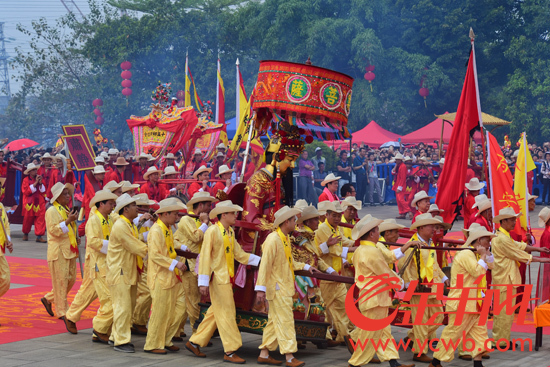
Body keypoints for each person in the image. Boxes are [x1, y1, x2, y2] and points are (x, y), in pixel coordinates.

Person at [185, 200, 261, 363]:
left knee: (215, 312)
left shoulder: (230, 232)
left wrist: (261, 261)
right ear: (224, 215)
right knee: (227, 313)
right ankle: (230, 350)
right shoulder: (213, 231)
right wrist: (203, 282)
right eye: (233, 213)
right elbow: (205, 256)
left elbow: (240, 255)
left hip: (227, 278)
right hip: (218, 279)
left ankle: (194, 342)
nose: (236, 216)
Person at [255, 206, 319, 367]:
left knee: (274, 322)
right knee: (286, 321)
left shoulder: (283, 238)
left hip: (283, 286)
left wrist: (305, 267)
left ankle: (264, 353)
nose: (296, 223)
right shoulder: (273, 240)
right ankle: (290, 356)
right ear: (286, 222)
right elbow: (265, 266)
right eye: (293, 220)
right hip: (277, 287)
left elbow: (288, 262)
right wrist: (260, 289)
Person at [346, 215, 414, 367]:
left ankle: (393, 362)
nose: (379, 233)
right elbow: (386, 274)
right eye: (377, 230)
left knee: (384, 333)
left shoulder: (360, 250)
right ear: (371, 234)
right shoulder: (372, 251)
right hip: (375, 299)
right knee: (370, 335)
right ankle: (354, 363)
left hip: (372, 298)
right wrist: (402, 284)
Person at [428, 228, 495, 367]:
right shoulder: (466, 254)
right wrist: (483, 256)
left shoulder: (473, 254)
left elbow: (493, 266)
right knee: (453, 333)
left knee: (479, 331)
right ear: (479, 241)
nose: (489, 243)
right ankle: (435, 362)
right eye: (487, 240)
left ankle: (478, 363)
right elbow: (477, 272)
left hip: (474, 301)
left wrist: (486, 254)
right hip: (461, 302)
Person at [490, 207, 550, 348]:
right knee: (503, 312)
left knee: (507, 312)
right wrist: (542, 259)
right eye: (511, 220)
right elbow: (518, 254)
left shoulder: (504, 236)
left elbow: (519, 246)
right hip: (504, 280)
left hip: (508, 278)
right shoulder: (501, 238)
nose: (514, 222)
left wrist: (538, 249)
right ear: (503, 221)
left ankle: (503, 339)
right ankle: (499, 341)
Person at [398, 213, 448, 363]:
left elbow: (434, 264)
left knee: (438, 316)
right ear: (420, 228)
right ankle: (419, 352)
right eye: (430, 226)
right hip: (419, 287)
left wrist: (444, 277)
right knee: (421, 320)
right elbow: (402, 265)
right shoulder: (412, 244)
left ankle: (413, 336)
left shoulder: (428, 242)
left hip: (432, 286)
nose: (434, 229)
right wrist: (410, 284)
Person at [143, 198, 187, 354]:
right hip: (159, 276)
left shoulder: (166, 228)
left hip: (169, 276)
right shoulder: (156, 230)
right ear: (165, 213)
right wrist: (175, 264)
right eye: (175, 214)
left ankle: (165, 340)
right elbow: (155, 255)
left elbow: (169, 247)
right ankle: (153, 344)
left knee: (171, 310)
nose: (176, 217)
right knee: (160, 311)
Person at [107, 193, 148, 353]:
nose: (136, 208)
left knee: (126, 306)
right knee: (122, 306)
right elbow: (135, 245)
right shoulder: (121, 226)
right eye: (133, 205)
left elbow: (136, 241)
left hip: (127, 270)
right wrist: (156, 253)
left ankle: (115, 336)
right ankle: (121, 340)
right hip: (120, 271)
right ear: (125, 209)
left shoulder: (129, 224)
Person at [174, 191, 216, 336]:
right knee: (193, 301)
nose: (210, 208)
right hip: (190, 265)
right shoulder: (186, 219)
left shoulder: (205, 221)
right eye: (208, 205)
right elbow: (196, 237)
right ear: (201, 205)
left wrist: (206, 223)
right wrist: (205, 223)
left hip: (201, 266)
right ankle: (196, 333)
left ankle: (175, 331)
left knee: (189, 301)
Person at [315, 201, 356, 343]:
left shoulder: (336, 229)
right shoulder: (322, 229)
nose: (337, 218)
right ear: (326, 215)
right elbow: (334, 251)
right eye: (334, 215)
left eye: (339, 215)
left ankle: (342, 336)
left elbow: (342, 241)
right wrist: (353, 248)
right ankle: (324, 337)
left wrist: (356, 243)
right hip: (326, 275)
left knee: (344, 307)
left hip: (338, 275)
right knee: (324, 308)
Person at [40, 182, 79, 320]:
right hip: (58, 252)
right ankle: (62, 311)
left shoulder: (65, 209)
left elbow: (70, 229)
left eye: (68, 193)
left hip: (69, 249)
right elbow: (54, 230)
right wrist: (68, 221)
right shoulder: (51, 211)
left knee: (71, 280)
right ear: (57, 197)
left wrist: (75, 237)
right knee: (61, 282)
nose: (68, 196)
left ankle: (48, 298)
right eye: (65, 194)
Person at [85, 189, 119, 343]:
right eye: (110, 203)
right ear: (101, 204)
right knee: (109, 299)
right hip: (99, 264)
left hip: (110, 263)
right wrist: (112, 245)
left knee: (110, 298)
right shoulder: (94, 220)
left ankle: (100, 330)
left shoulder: (110, 219)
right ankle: (99, 328)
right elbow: (92, 241)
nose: (113, 206)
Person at [21, 163, 47, 243]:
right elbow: (26, 192)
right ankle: (25, 233)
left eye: (35, 169)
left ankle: (39, 236)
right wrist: (35, 183)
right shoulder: (25, 180)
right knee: (27, 219)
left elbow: (43, 191)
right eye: (33, 170)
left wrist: (40, 183)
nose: (35, 171)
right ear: (29, 172)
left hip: (39, 202)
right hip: (29, 202)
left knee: (40, 218)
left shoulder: (40, 178)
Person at [0, 197, 13, 315]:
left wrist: (7, 240)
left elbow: (6, 225)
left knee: (5, 280)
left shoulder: (1, 206)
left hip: (0, 249)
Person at [392, 154, 410, 219]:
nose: (396, 160)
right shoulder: (398, 166)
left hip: (400, 185)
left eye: (397, 159)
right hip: (397, 184)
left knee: (401, 199)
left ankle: (408, 211)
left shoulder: (402, 166)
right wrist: (396, 165)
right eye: (396, 159)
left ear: (400, 160)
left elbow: (403, 178)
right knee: (398, 200)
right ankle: (402, 213)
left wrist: (400, 187)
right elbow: (393, 172)